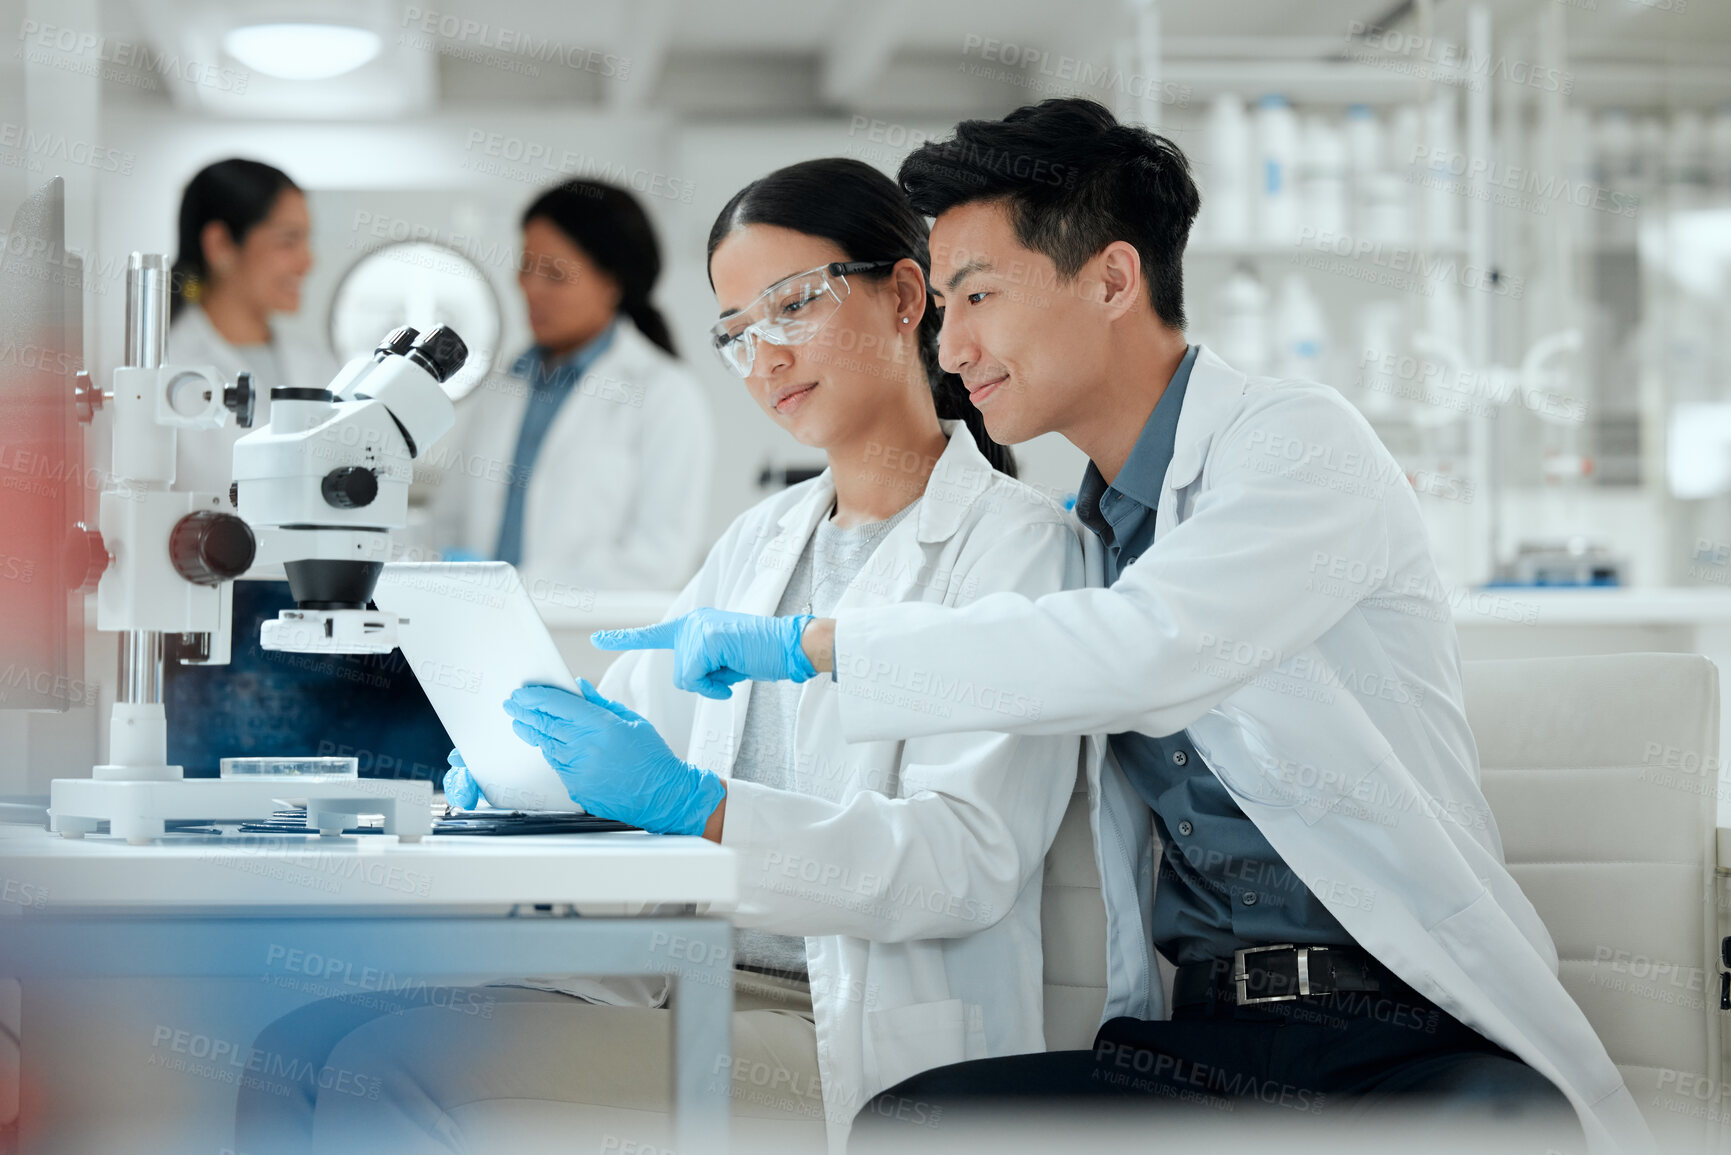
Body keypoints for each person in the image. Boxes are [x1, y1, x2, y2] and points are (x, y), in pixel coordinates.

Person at [596, 100, 1650, 1154]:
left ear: (1110, 279)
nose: (951, 343)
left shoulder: (1294, 449)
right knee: (917, 1123)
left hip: (1406, 1033)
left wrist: (811, 647)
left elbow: (1147, 648)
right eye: (946, 302)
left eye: (978, 295)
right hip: (1203, 1044)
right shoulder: (1094, 529)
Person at [235, 158, 1083, 1155]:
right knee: (294, 1041)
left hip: (849, 1029)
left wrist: (699, 807)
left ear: (905, 295)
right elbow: (627, 728)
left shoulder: (1020, 548)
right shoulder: (761, 540)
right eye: (737, 334)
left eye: (793, 307)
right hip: (685, 973)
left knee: (388, 1070)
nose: (765, 357)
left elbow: (960, 866)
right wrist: (533, 769)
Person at [427, 180, 714, 591]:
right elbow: (450, 523)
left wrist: (516, 587)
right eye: (526, 266)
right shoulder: (506, 385)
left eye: (555, 275)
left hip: (585, 641)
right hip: (478, 628)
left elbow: (659, 559)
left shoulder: (665, 394)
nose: (530, 288)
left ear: (612, 284)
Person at [167, 158, 338, 497]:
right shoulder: (168, 369)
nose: (308, 261)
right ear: (221, 245)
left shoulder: (316, 365)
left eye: (305, 241)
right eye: (288, 241)